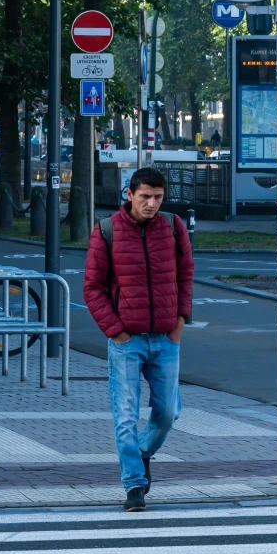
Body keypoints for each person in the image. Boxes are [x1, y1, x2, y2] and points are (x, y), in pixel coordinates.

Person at [83, 166, 194, 512]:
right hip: (126, 341)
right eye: (145, 196)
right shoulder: (107, 231)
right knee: (125, 415)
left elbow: (186, 274)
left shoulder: (174, 228)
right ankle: (134, 484)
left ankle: (142, 453)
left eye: (158, 197)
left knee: (167, 413)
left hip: (165, 338)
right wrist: (116, 331)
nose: (151, 204)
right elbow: (92, 287)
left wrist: (180, 321)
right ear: (129, 195)